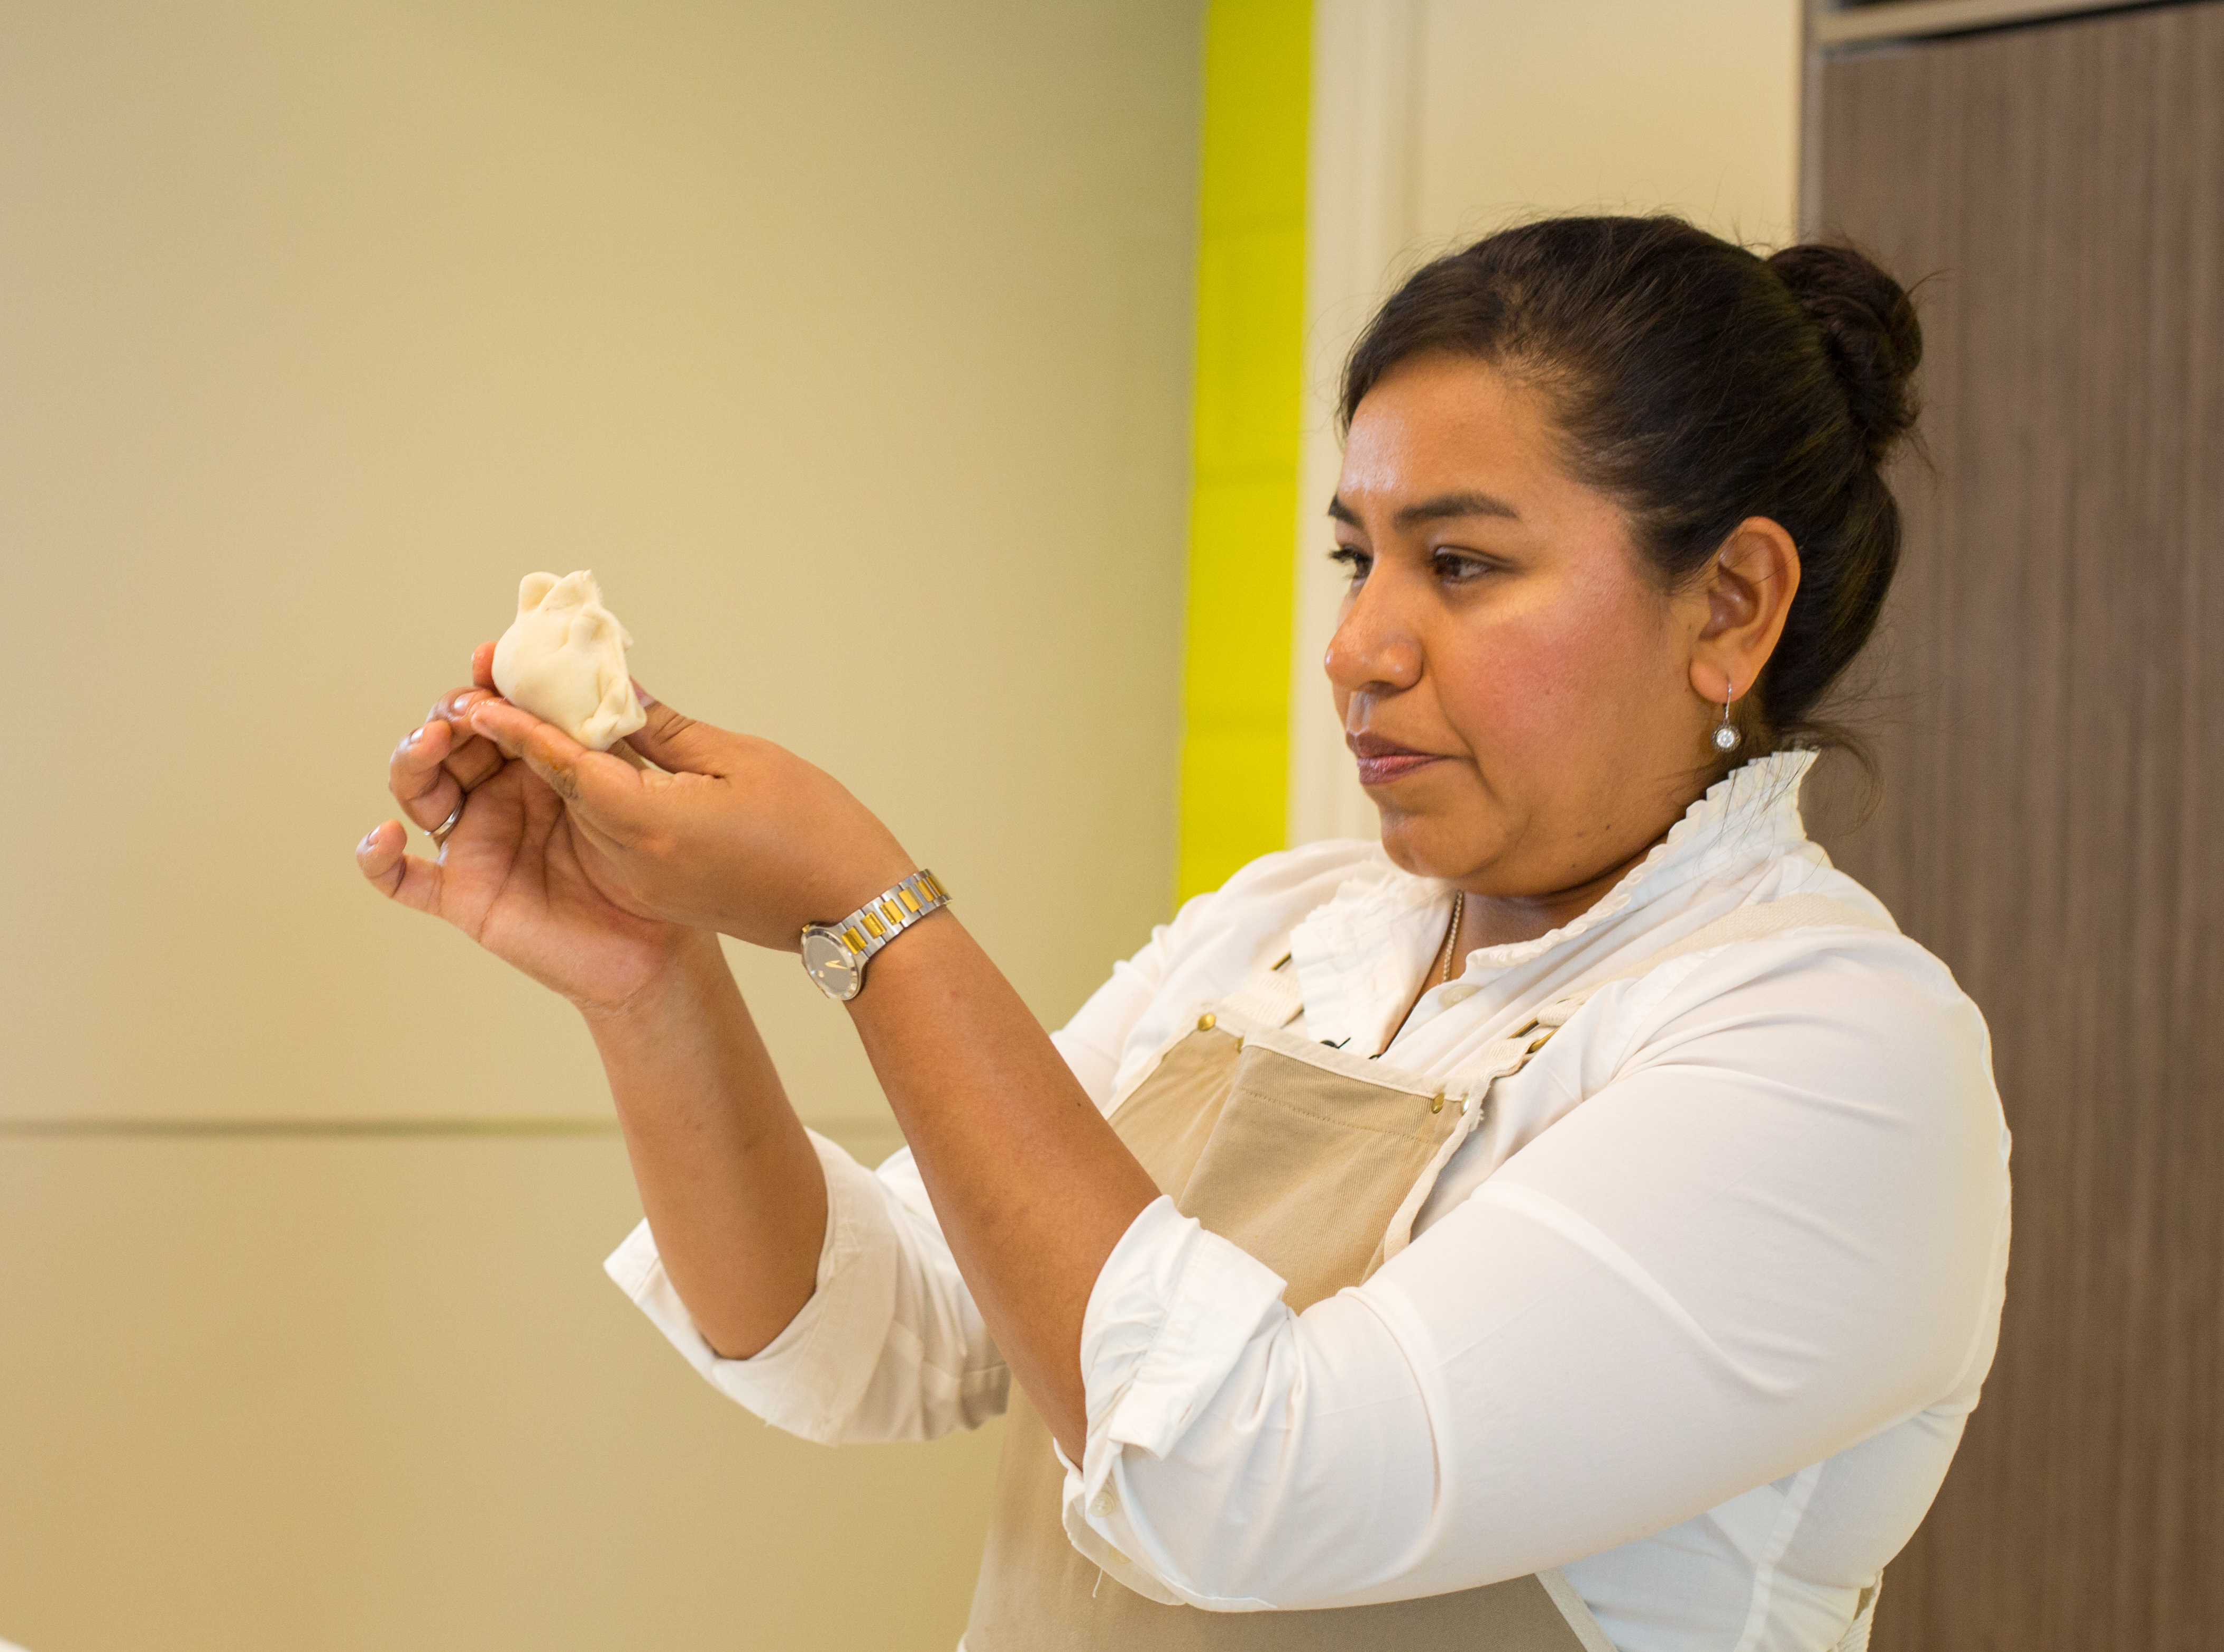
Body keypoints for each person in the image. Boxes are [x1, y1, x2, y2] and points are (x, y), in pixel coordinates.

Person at [355, 215, 2009, 1651]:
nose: (1359, 643)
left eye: (1460, 562)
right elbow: (872, 1332)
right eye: (1358, 557)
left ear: (1730, 606)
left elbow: (1251, 1490)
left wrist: (867, 907)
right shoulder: (1287, 931)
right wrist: (652, 976)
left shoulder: (1836, 1056)